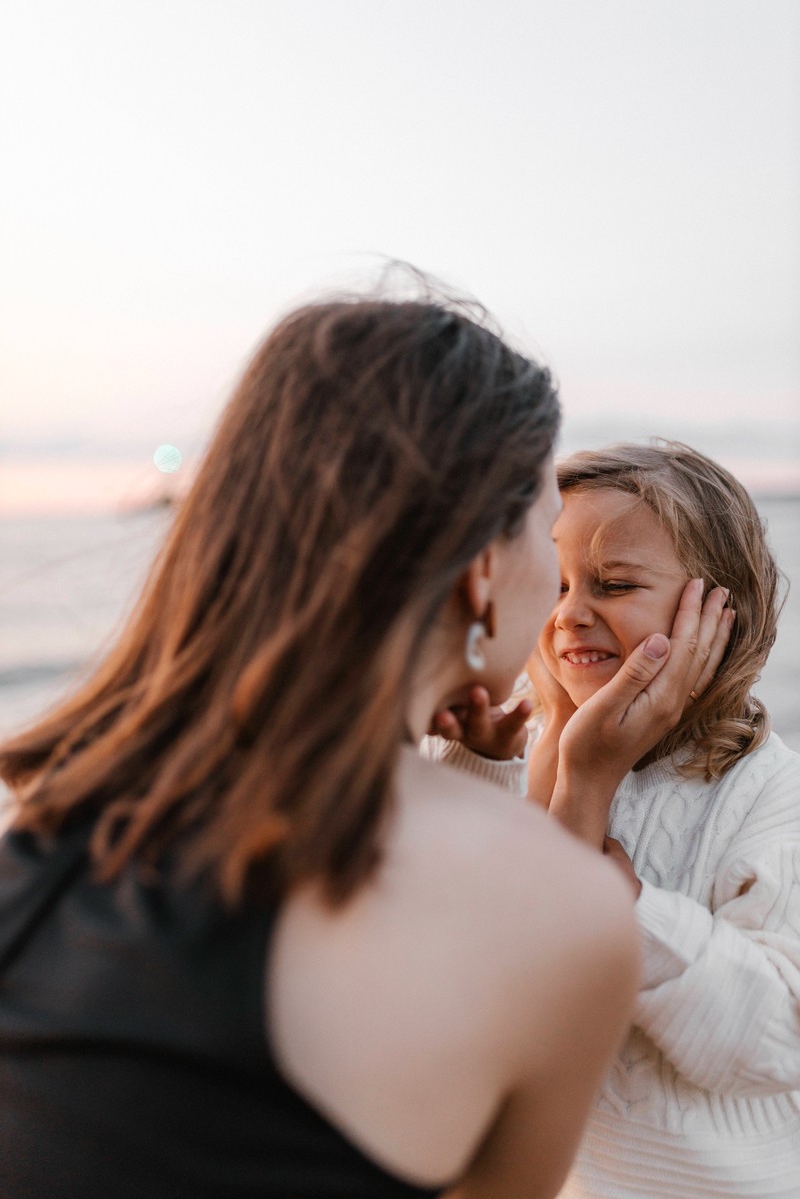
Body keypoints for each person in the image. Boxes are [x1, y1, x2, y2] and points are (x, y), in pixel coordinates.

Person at [0, 295, 727, 1199]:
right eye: (545, 536)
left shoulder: (58, 814)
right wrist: (580, 780)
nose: (562, 588)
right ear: (481, 573)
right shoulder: (562, 912)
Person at [435, 439, 800, 1197]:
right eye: (558, 582)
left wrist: (630, 912)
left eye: (613, 582)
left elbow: (778, 1041)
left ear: (719, 611)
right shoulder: (527, 748)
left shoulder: (767, 793)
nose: (571, 613)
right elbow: (456, 960)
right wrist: (481, 772)